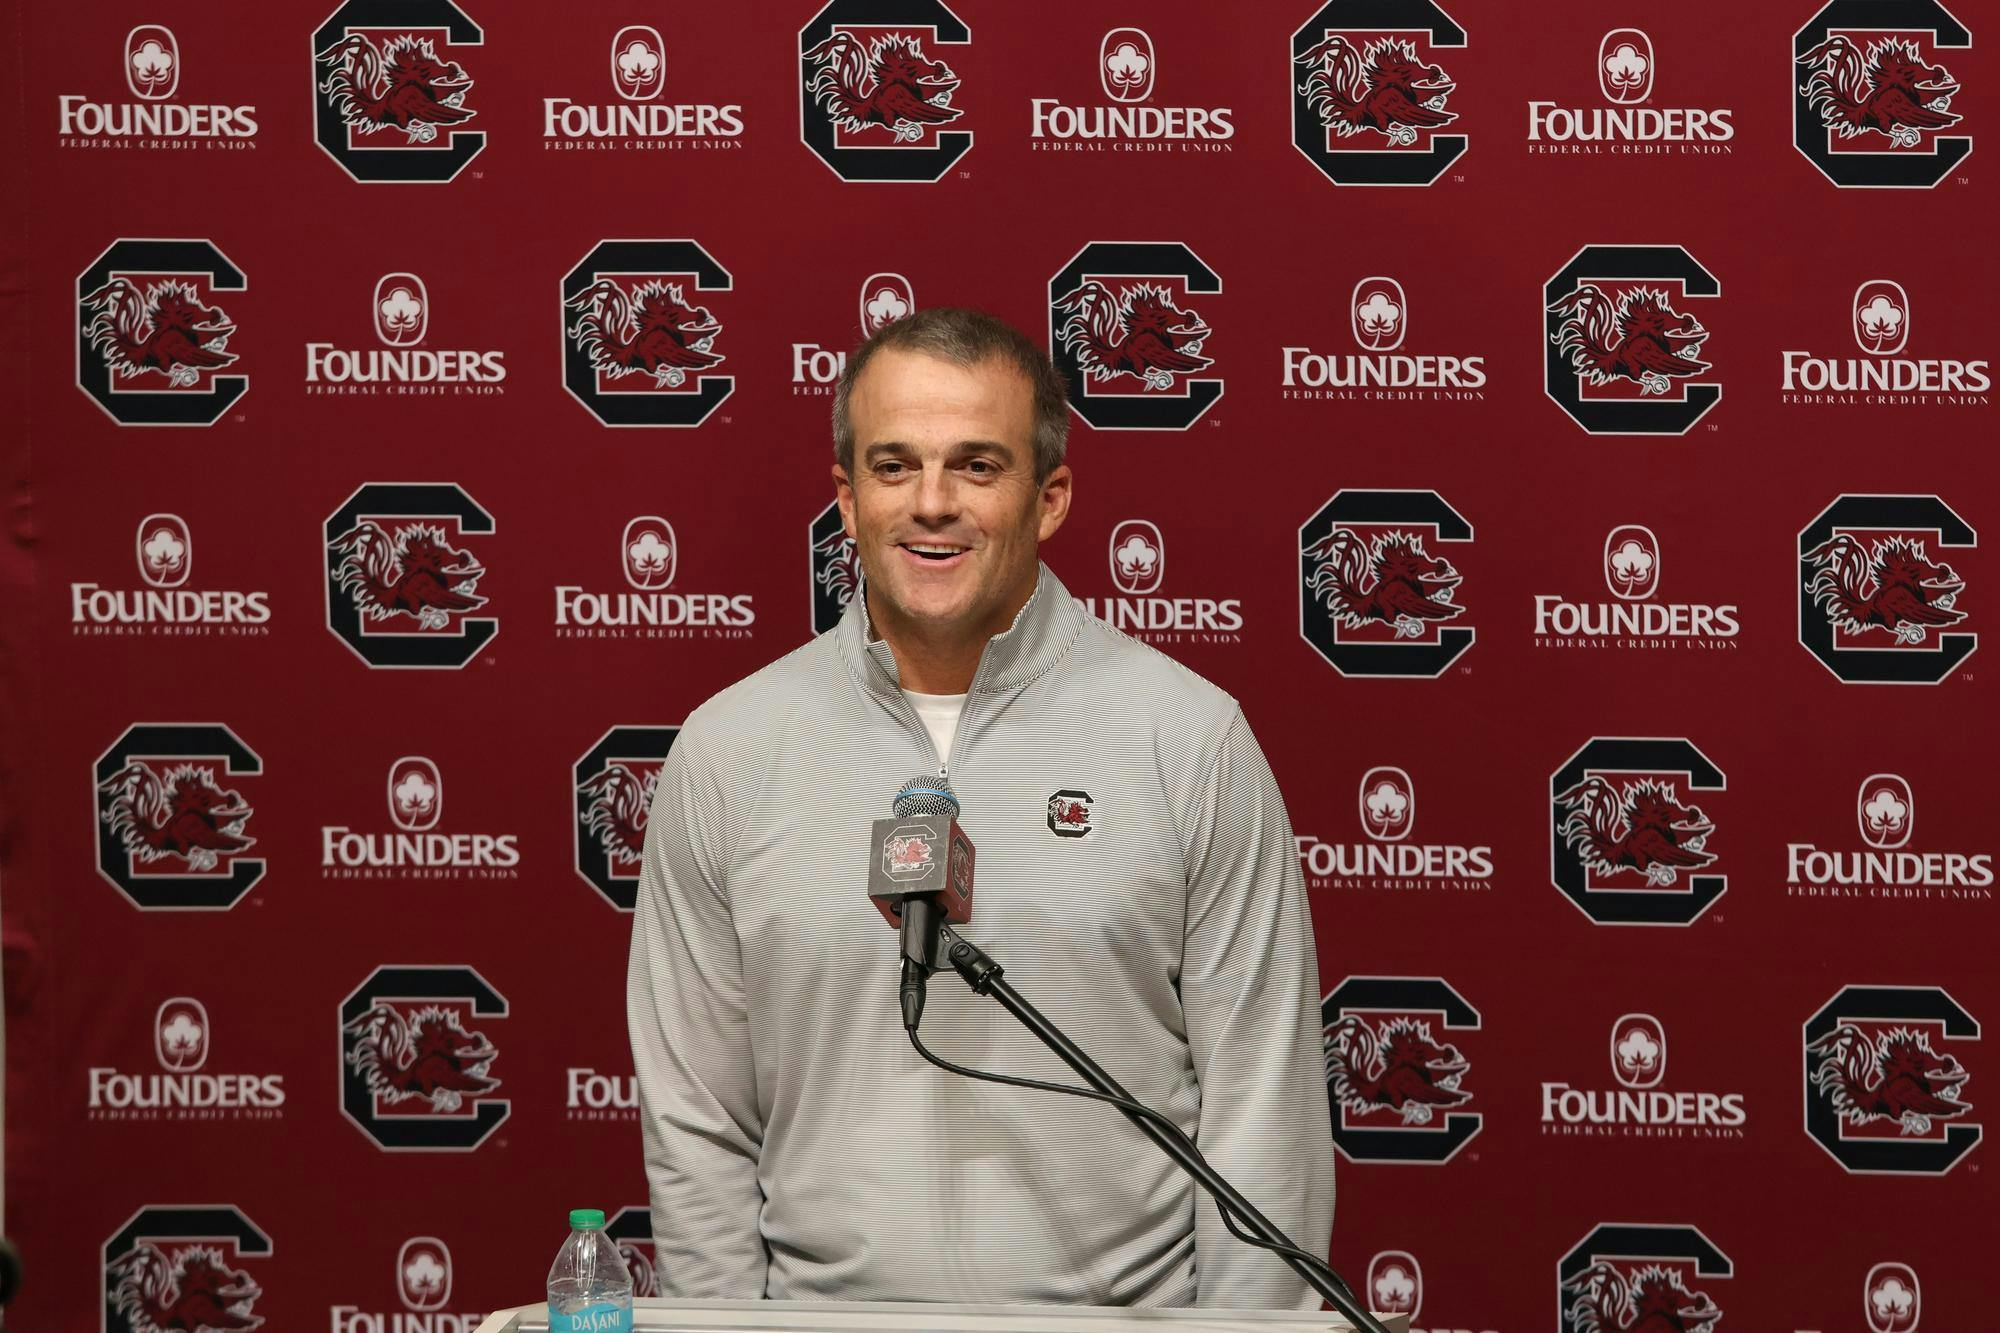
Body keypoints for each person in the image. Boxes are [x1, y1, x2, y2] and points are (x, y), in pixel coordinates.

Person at [626, 307, 1333, 1309]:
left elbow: (1263, 1114)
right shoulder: (727, 749)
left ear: (1048, 498)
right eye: (892, 465)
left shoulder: (1188, 739)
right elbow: (696, 1123)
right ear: (844, 497)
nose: (930, 504)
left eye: (974, 466)